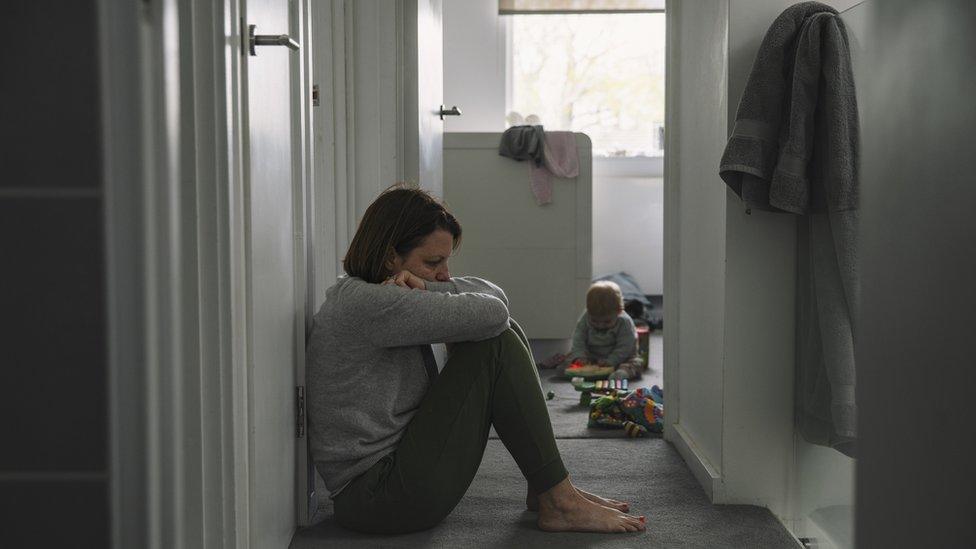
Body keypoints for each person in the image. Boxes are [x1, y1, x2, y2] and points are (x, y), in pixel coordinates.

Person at [306, 185, 646, 535]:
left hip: (387, 482)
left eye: (447, 260)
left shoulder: (372, 294)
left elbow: (497, 302)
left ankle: (549, 489)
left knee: (499, 331)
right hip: (379, 496)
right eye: (433, 262)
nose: (445, 274)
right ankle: (557, 498)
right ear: (392, 258)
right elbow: (493, 312)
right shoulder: (372, 303)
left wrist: (430, 286)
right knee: (493, 342)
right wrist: (437, 292)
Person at [563, 281, 644, 381]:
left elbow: (625, 347)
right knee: (568, 359)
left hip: (619, 358)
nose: (600, 325)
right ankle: (573, 370)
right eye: (594, 321)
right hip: (591, 357)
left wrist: (611, 361)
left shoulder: (624, 322)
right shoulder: (586, 317)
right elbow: (578, 338)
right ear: (588, 311)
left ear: (619, 312)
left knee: (636, 363)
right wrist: (580, 356)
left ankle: (621, 374)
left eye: (607, 321)